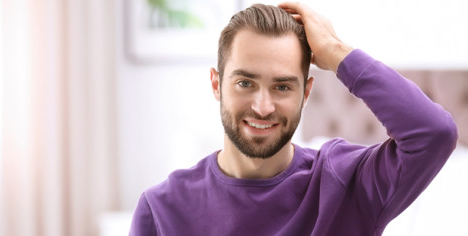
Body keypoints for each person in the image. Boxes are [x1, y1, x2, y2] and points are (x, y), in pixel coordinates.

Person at [130, 2, 458, 235]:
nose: (262, 106)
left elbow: (434, 133)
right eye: (245, 83)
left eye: (282, 86)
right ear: (217, 84)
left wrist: (333, 50)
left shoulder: (347, 185)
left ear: (306, 92)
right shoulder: (162, 209)